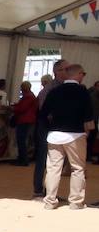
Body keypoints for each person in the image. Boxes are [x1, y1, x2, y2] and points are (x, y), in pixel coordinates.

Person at [40, 63, 94, 211]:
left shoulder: (55, 91)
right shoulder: (83, 92)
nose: (83, 76)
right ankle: (75, 202)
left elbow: (43, 113)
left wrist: (49, 129)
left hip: (54, 135)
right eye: (83, 74)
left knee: (53, 169)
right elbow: (89, 113)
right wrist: (89, 131)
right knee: (77, 169)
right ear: (78, 74)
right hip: (75, 135)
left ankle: (49, 201)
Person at [33, 60, 68, 198]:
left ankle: (49, 192)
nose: (68, 71)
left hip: (56, 127)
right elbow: (43, 109)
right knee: (43, 158)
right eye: (66, 69)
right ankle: (38, 190)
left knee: (57, 160)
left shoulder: (61, 87)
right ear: (58, 71)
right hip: (47, 127)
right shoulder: (50, 88)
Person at [11, 81, 37, 166]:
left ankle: (23, 160)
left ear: (24, 88)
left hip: (25, 121)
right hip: (27, 121)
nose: (21, 90)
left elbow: (22, 108)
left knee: (21, 141)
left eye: (22, 88)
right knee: (22, 141)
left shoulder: (28, 97)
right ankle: (22, 159)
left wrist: (12, 108)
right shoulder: (30, 96)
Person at [87, 80, 99, 164]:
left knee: (91, 140)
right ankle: (88, 156)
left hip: (94, 121)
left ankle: (89, 156)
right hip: (91, 121)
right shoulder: (92, 96)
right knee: (89, 140)